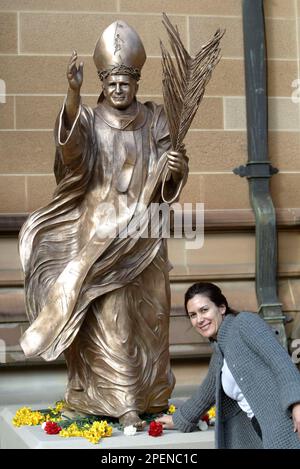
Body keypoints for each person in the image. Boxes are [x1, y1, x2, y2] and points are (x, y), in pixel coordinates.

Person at [18, 21, 188, 428]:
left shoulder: (157, 118)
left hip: (145, 235)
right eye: (111, 83)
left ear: (135, 83)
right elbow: (71, 160)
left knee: (152, 315)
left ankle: (152, 396)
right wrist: (73, 95)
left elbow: (171, 176)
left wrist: (175, 170)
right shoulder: (90, 119)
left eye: (125, 83)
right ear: (104, 83)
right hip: (100, 233)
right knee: (109, 316)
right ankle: (117, 400)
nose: (118, 90)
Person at [156, 282, 300, 448]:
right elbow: (204, 396)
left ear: (222, 308)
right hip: (262, 433)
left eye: (204, 310)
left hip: (286, 425)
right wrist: (178, 419)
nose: (199, 320)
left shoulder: (245, 323)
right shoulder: (220, 352)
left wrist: (297, 405)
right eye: (193, 315)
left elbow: (281, 363)